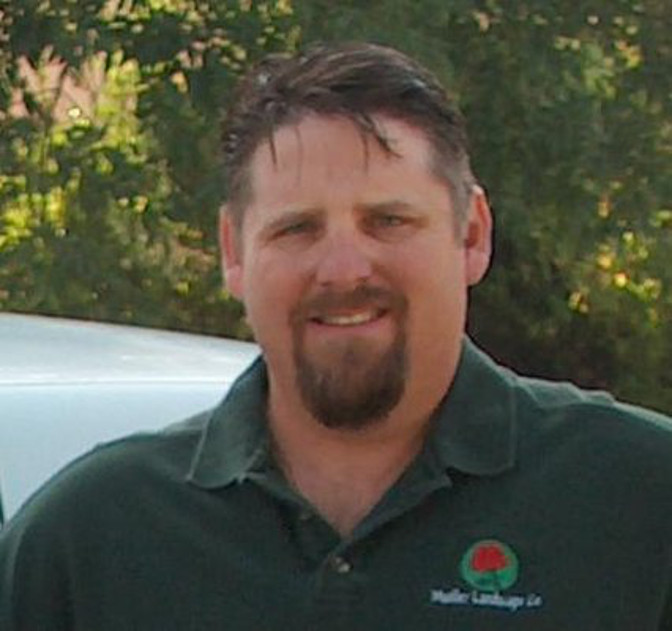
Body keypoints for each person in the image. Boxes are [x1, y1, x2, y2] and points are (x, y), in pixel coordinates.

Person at [1, 41, 671, 631]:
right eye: (297, 228)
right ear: (234, 252)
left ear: (471, 234)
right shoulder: (88, 539)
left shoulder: (640, 502)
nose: (344, 270)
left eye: (388, 221)